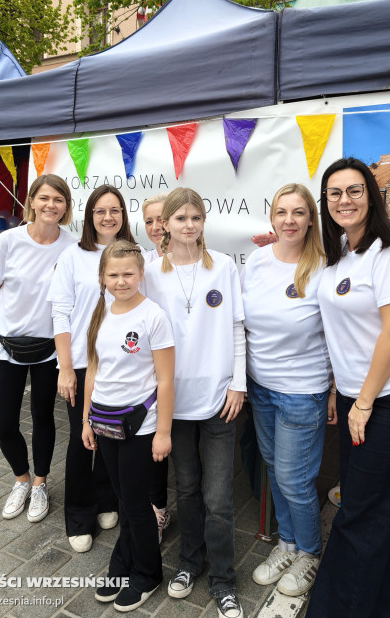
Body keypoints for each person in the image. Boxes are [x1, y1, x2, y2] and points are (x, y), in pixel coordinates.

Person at [306, 157, 390, 618]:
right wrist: (344, 392)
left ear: (370, 195)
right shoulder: (340, 248)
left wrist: (362, 401)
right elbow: (343, 336)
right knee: (371, 516)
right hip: (362, 399)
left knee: (358, 516)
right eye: (335, 193)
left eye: (354, 190)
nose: (344, 200)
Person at [144, 188, 246, 618]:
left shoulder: (222, 266)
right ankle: (190, 561)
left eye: (196, 218)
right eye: (180, 218)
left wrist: (238, 383)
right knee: (185, 488)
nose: (189, 225)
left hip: (219, 398)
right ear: (164, 224)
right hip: (175, 403)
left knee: (218, 496)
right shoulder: (149, 272)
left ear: (204, 222)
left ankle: (223, 580)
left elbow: (238, 327)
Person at [241, 184, 336, 597]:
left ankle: (310, 553)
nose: (289, 220)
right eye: (282, 212)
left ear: (311, 219)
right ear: (272, 218)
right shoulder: (258, 261)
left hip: (303, 391)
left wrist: (333, 390)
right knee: (274, 469)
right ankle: (288, 543)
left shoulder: (325, 266)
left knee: (295, 479)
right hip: (260, 386)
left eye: (299, 213)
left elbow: (339, 334)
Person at [82, 240, 175, 612]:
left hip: (140, 425)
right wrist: (87, 418)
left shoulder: (153, 316)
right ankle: (123, 562)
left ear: (141, 274)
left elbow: (166, 380)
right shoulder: (100, 311)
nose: (121, 281)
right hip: (104, 421)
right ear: (102, 277)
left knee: (137, 504)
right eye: (113, 275)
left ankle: (148, 573)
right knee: (124, 499)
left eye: (128, 274)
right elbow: (93, 368)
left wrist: (164, 432)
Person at [48, 185, 135, 552]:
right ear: (89, 216)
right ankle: (79, 514)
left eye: (115, 210)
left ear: (123, 215)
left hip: (122, 365)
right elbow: (61, 312)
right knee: (82, 439)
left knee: (112, 435)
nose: (108, 217)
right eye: (100, 210)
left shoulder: (134, 253)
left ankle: (106, 498)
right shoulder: (73, 256)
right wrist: (65, 368)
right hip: (83, 365)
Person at [0, 174, 75, 522]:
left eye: (59, 199)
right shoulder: (8, 240)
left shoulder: (70, 246)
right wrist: (10, 319)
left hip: (49, 348)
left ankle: (39, 483)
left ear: (66, 206)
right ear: (32, 202)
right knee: (3, 424)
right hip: (7, 345)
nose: (51, 205)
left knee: (42, 417)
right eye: (45, 198)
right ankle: (20, 478)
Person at [141, 193, 171, 539]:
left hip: (188, 370)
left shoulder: (198, 261)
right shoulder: (143, 265)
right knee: (154, 446)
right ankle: (157, 510)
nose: (156, 227)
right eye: (149, 221)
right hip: (152, 371)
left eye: (161, 218)